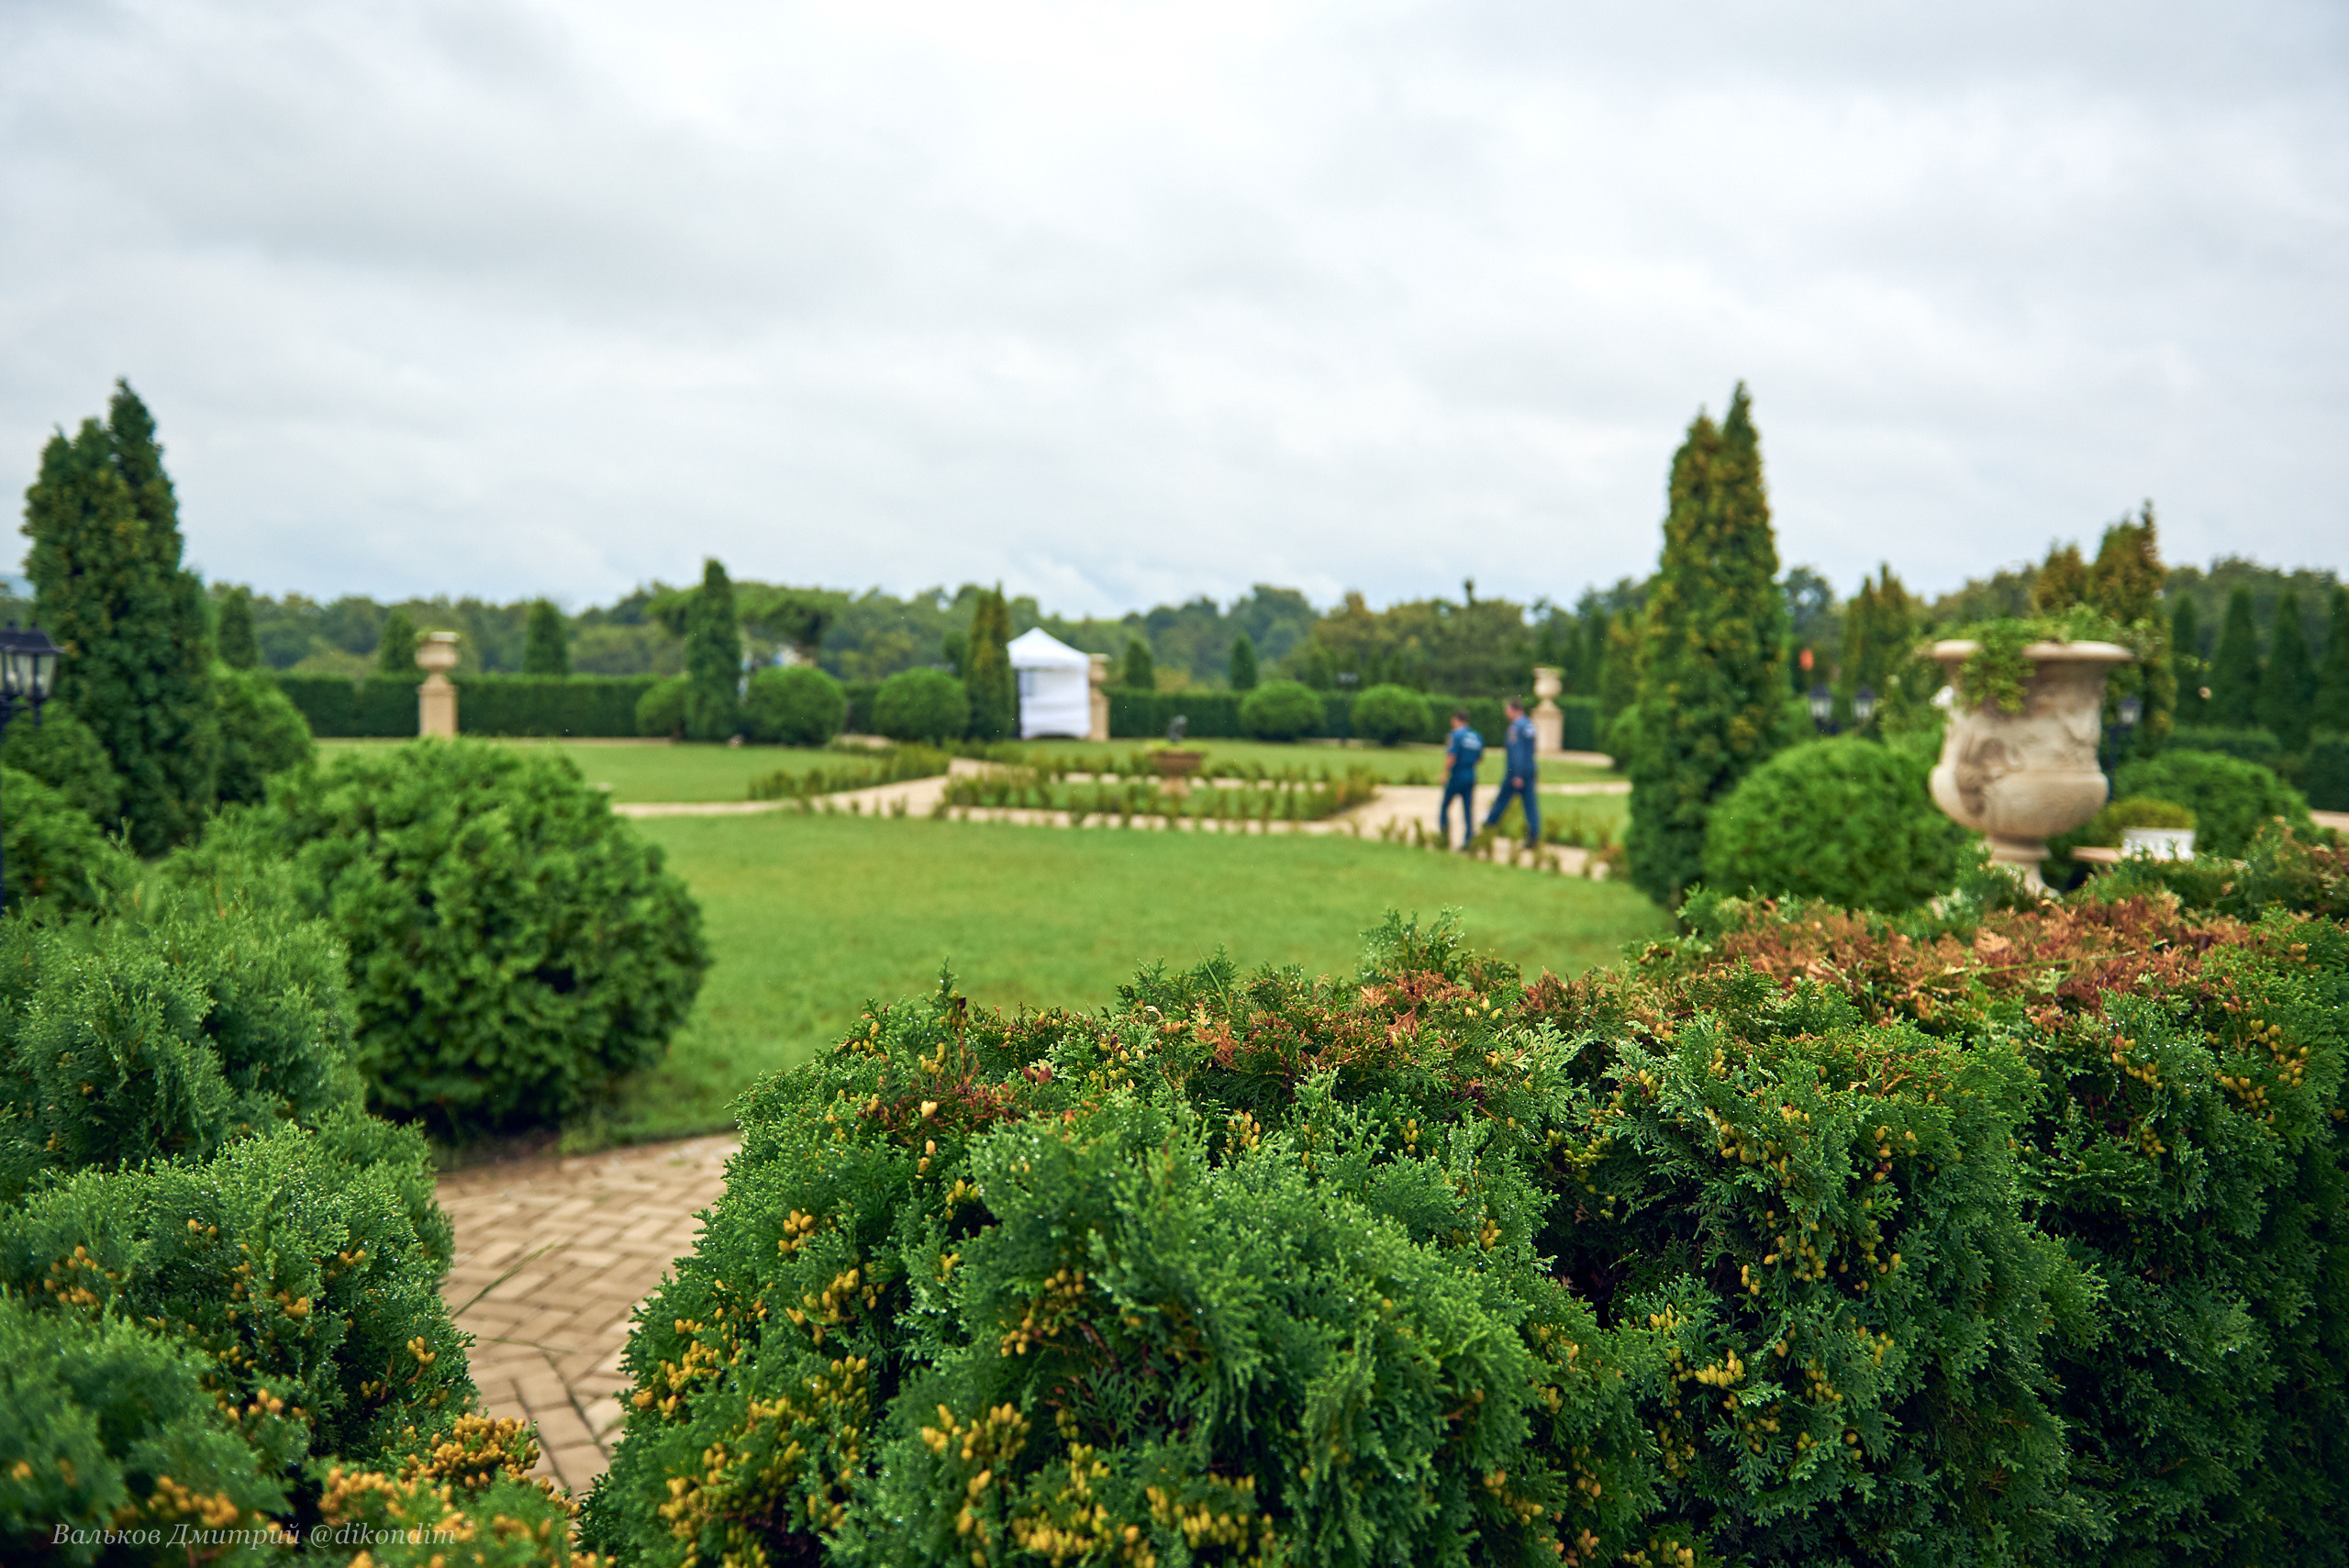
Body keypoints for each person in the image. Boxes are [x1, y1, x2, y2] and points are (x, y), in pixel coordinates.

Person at [1482, 696, 1541, 848]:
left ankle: (1488, 829)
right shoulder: (1530, 725)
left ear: (1514, 710)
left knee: (1501, 801)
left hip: (1515, 773)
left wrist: (1517, 775)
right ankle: (1534, 836)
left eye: (1507, 710)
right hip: (1530, 770)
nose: (1506, 713)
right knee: (1530, 806)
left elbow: (1517, 753)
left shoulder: (1516, 728)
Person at [1439, 708, 1483, 849]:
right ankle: (1468, 840)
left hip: (1457, 775)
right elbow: (1479, 758)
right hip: (1470, 774)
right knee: (1468, 809)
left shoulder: (1455, 735)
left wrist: (1445, 773)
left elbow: (1451, 756)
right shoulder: (1477, 736)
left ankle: (1444, 836)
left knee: (1445, 806)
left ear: (1456, 720)